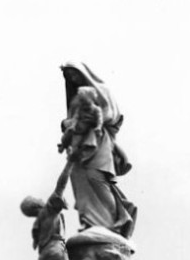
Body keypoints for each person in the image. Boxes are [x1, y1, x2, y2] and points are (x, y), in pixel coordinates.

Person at [59, 62, 137, 238]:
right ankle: (90, 221)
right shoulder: (76, 99)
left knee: (97, 177)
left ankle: (117, 220)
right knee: (80, 180)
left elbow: (111, 115)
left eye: (74, 74)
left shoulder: (101, 90)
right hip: (79, 146)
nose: (73, 78)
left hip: (99, 141)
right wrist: (70, 125)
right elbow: (70, 121)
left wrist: (87, 122)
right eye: (69, 76)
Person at [15, 160, 75, 260]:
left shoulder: (36, 224)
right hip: (56, 248)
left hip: (43, 254)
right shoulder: (48, 210)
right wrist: (70, 162)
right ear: (37, 203)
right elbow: (61, 184)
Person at [57, 85, 103, 158]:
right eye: (81, 100)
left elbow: (99, 120)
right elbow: (76, 117)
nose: (81, 102)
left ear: (90, 98)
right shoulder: (80, 108)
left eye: (83, 100)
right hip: (77, 126)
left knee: (77, 142)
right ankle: (63, 145)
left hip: (85, 129)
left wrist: (98, 127)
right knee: (68, 133)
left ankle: (72, 152)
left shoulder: (96, 110)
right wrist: (73, 125)